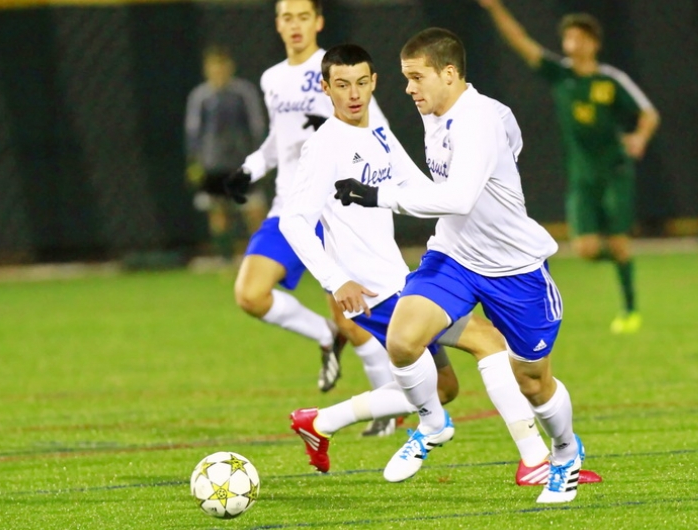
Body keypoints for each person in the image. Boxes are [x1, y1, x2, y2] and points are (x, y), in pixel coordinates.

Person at [280, 43, 600, 487]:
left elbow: (427, 189)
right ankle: (531, 459)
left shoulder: (381, 130)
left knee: (445, 388)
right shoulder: (324, 147)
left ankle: (320, 423)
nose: (353, 94)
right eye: (341, 85)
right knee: (487, 344)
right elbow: (294, 222)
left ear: (373, 82)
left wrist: (487, 173)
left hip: (402, 275)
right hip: (373, 289)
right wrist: (337, 280)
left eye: (361, 83)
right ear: (326, 88)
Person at [221, 0, 393, 416]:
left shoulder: (336, 71)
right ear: (277, 24)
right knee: (250, 294)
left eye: (303, 16)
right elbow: (280, 139)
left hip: (332, 209)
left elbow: (379, 131)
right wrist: (251, 167)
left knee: (354, 318)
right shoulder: (272, 79)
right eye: (286, 17)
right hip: (288, 207)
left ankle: (389, 409)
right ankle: (322, 334)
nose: (295, 25)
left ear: (318, 21)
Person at [477, 0, 661, 334]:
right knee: (586, 249)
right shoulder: (559, 75)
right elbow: (521, 42)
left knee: (618, 242)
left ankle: (630, 309)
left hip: (616, 171)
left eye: (580, 38)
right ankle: (623, 258)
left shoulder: (610, 80)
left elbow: (649, 114)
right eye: (569, 38)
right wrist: (494, 8)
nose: (573, 44)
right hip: (582, 177)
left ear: (594, 43)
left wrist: (639, 138)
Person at [185, 45, 268, 264]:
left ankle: (258, 260)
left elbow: (256, 126)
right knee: (218, 214)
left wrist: (260, 158)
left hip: (242, 164)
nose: (218, 71)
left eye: (222, 66)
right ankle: (226, 262)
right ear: (207, 69)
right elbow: (193, 132)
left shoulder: (243, 93)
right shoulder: (200, 97)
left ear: (230, 67)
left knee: (254, 211)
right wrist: (195, 162)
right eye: (214, 67)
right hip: (213, 164)